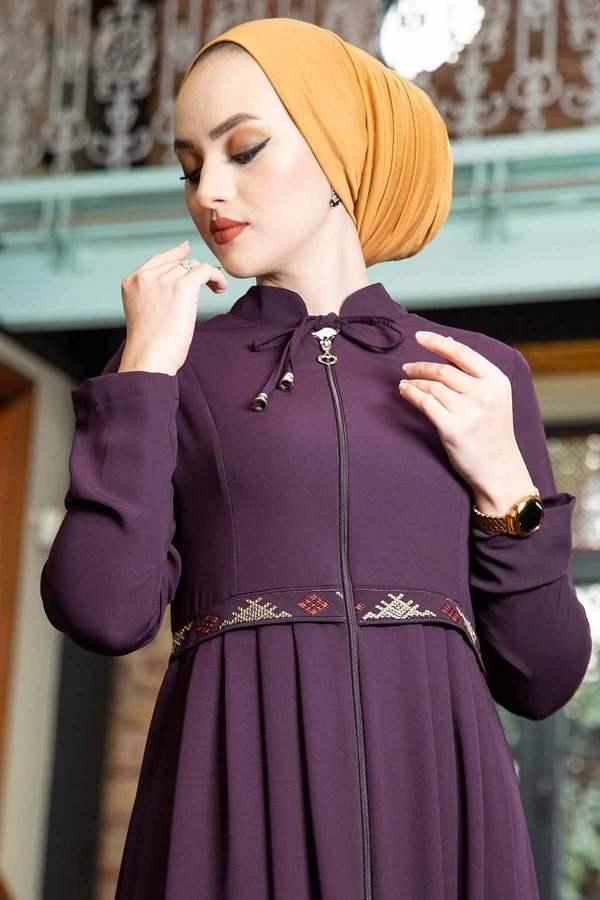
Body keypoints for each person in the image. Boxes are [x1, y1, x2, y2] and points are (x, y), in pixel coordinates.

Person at [40, 17, 592, 900]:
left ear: (340, 151)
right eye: (190, 167)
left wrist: (508, 488)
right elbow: (101, 609)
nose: (209, 191)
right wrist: (139, 374)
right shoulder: (171, 368)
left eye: (245, 149)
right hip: (232, 793)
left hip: (439, 802)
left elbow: (543, 675)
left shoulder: (480, 374)